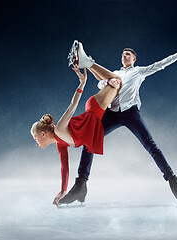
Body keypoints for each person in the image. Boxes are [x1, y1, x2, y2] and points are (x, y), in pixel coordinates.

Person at [59, 41, 177, 205]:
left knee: (150, 145)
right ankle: (81, 185)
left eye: (128, 54)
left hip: (130, 113)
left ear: (134, 59)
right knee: (89, 141)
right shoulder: (115, 73)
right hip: (112, 113)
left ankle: (173, 181)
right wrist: (101, 78)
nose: (124, 56)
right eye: (123, 54)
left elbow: (160, 65)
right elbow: (101, 81)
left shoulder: (138, 71)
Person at [31, 40, 122, 205]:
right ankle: (92, 67)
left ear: (43, 133)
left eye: (36, 139)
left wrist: (82, 83)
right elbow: (64, 169)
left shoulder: (59, 129)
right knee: (115, 80)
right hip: (95, 113)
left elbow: (72, 106)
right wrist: (62, 192)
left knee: (117, 80)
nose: (36, 143)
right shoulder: (60, 144)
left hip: (94, 109)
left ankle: (87, 62)